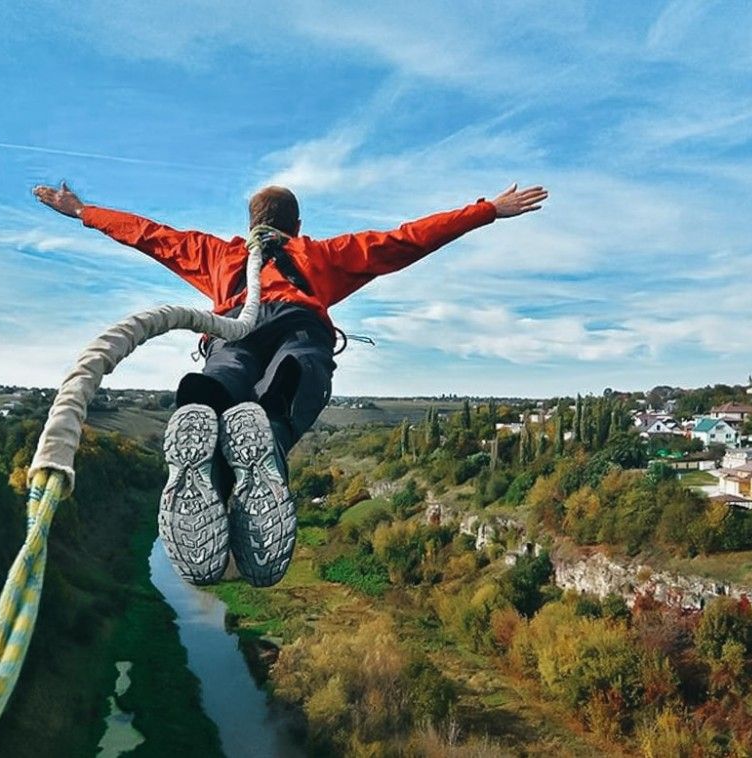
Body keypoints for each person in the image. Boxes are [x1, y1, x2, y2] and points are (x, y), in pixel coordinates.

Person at [34, 181, 548, 587]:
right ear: (297, 226)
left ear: (250, 224)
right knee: (295, 375)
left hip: (231, 328)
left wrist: (82, 210)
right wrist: (487, 210)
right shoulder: (325, 254)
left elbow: (147, 233)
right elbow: (407, 239)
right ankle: (269, 431)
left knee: (224, 377)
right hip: (298, 326)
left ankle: (206, 422)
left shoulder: (216, 254)